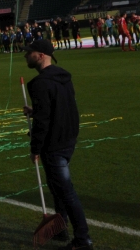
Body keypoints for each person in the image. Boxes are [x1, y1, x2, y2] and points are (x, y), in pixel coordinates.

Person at [21, 39, 93, 250]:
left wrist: (35, 148)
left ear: (41, 55)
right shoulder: (63, 77)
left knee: (66, 192)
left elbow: (43, 122)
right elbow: (59, 107)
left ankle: (83, 240)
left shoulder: (39, 84)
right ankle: (61, 229)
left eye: (29, 53)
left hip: (54, 146)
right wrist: (35, 112)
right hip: (68, 140)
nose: (26, 56)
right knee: (57, 188)